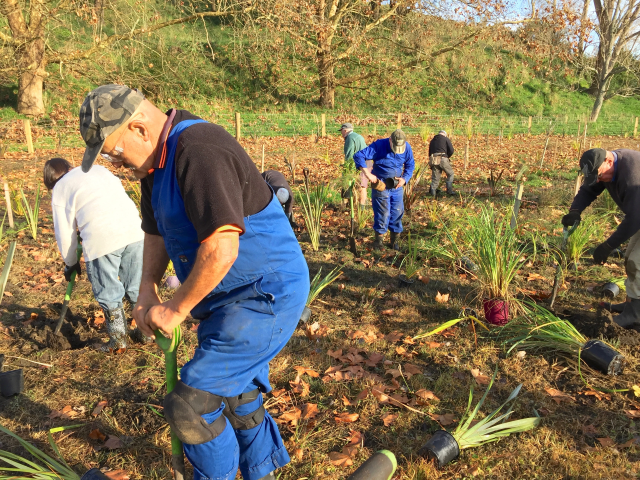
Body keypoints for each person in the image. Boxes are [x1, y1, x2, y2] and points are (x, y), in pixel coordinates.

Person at [78, 84, 309, 480]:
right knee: (237, 394)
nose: (114, 164)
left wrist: (176, 307)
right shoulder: (154, 165)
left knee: (191, 403)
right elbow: (155, 231)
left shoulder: (198, 149)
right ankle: (262, 472)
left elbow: (222, 249)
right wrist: (146, 288)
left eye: (114, 152)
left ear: (139, 129)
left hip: (264, 293)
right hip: (226, 299)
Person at [43, 157, 145, 352]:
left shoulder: (60, 188)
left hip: (102, 239)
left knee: (108, 292)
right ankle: (147, 333)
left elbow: (65, 233)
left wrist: (70, 263)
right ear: (70, 166)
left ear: (51, 182)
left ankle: (118, 342)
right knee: (136, 286)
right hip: (134, 230)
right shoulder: (97, 169)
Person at [562, 148, 640, 329]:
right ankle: (632, 305)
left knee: (637, 261)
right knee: (630, 258)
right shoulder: (602, 169)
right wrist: (575, 211)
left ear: (609, 161)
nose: (598, 180)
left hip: (638, 215)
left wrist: (608, 245)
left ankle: (635, 316)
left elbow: (635, 218)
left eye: (599, 176)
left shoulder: (631, 175)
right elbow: (588, 190)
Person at [353, 129, 415, 250]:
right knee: (383, 213)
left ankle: (394, 241)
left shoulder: (406, 147)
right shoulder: (379, 146)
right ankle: (379, 241)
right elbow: (359, 156)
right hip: (381, 185)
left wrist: (404, 179)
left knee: (397, 212)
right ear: (390, 140)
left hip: (396, 187)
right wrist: (368, 174)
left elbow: (410, 164)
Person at [340, 123, 368, 207]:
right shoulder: (358, 136)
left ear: (345, 130)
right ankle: (362, 207)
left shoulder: (349, 138)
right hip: (367, 162)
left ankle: (350, 205)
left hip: (359, 163)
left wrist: (346, 171)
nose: (341, 134)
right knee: (363, 185)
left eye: (341, 131)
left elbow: (349, 155)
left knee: (355, 184)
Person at [428, 130, 456, 197]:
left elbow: (429, 153)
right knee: (450, 174)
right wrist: (447, 156)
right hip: (443, 159)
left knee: (435, 178)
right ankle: (449, 191)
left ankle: (433, 194)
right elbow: (451, 150)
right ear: (444, 134)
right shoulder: (446, 139)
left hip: (434, 160)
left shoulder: (432, 141)